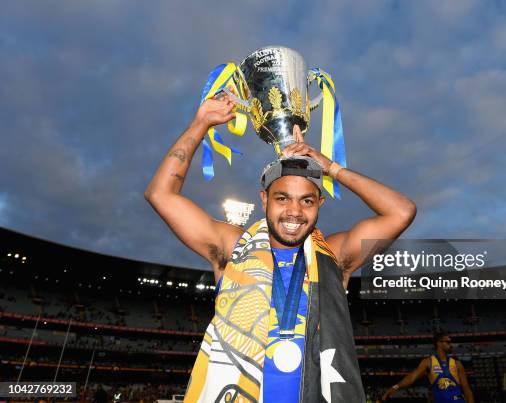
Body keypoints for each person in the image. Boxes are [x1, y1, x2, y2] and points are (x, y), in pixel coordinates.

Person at [145, 91, 417, 403]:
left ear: (320, 204)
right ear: (264, 199)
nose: (294, 212)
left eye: (307, 201)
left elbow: (401, 211)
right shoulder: (232, 246)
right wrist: (201, 123)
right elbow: (160, 195)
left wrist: (332, 168)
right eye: (282, 198)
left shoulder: (335, 255)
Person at [381, 332, 474, 403]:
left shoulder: (457, 364)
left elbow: (467, 389)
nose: (451, 345)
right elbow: (411, 378)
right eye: (448, 342)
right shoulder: (428, 362)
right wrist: (395, 387)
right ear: (439, 343)